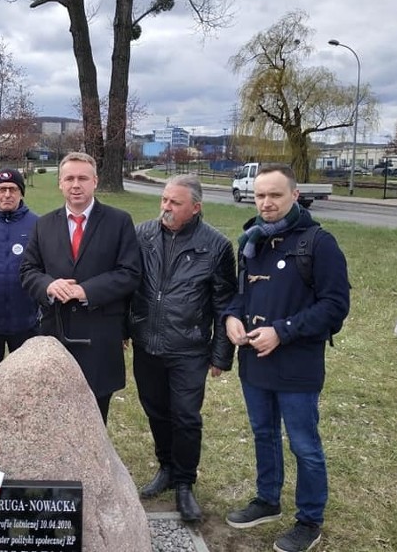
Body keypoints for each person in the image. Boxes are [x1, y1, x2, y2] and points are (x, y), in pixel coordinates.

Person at [223, 164, 350, 552]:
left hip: (297, 365)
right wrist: (230, 315)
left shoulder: (318, 243)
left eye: (275, 195)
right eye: (260, 195)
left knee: (304, 445)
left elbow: (335, 306)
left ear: (295, 195)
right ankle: (267, 499)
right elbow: (240, 293)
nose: (266, 202)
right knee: (263, 434)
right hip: (254, 362)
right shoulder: (252, 240)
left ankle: (309, 520)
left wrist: (283, 331)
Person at [130, 174, 236, 522]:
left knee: (186, 416)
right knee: (156, 409)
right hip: (148, 343)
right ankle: (166, 467)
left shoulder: (216, 246)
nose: (166, 207)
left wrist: (221, 355)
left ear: (195, 207)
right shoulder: (143, 234)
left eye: (175, 203)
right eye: (164, 200)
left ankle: (185, 482)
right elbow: (129, 284)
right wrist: (125, 328)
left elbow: (224, 304)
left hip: (189, 348)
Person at [20, 152, 141, 423]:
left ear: (95, 181)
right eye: (70, 178)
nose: (76, 184)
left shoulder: (119, 221)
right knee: (54, 414)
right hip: (56, 334)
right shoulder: (44, 224)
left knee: (95, 417)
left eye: (83, 178)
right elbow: (28, 271)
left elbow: (130, 272)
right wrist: (49, 285)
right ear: (60, 183)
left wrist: (86, 290)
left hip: (99, 336)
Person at [0, 168, 39, 368]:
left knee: (27, 380)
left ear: (21, 193)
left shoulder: (37, 224)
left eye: (13, 189)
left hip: (26, 321)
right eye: (1, 189)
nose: (7, 194)